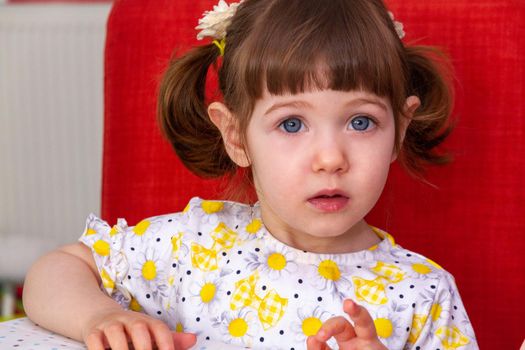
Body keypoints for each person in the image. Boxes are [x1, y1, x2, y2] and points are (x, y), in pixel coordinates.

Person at [22, 0, 479, 349]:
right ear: (237, 136)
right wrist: (98, 318)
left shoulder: (424, 295)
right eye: (291, 124)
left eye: (361, 122)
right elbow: (57, 270)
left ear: (399, 129)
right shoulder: (190, 247)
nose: (330, 158)